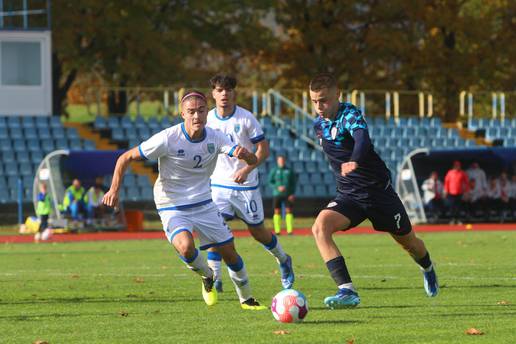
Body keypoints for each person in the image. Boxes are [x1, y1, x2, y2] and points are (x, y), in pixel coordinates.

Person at [102, 90, 266, 310]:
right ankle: (208, 276)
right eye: (191, 112)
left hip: (204, 203)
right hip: (171, 204)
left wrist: (246, 156)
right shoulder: (167, 138)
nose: (196, 116)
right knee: (186, 247)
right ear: (182, 114)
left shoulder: (215, 136)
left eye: (201, 111)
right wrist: (114, 189)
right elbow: (126, 157)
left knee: (230, 252)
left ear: (207, 112)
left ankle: (247, 299)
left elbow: (251, 157)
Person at [308, 73, 438, 309]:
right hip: (349, 196)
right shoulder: (318, 124)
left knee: (409, 243)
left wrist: (354, 160)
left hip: (379, 194)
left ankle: (427, 266)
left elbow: (362, 140)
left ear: (338, 94)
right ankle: (347, 291)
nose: (319, 106)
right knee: (320, 227)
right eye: (315, 101)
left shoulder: (350, 114)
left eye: (324, 100)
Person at [206, 74, 294, 292]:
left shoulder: (246, 118)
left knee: (258, 232)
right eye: (219, 90)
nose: (224, 94)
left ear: (235, 93)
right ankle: (214, 277)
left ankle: (283, 259)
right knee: (215, 229)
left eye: (228, 90)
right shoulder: (208, 119)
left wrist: (247, 169)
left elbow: (263, 150)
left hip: (245, 186)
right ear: (213, 94)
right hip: (218, 185)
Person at [268, 155, 297, 234]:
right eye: (280, 160)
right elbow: (270, 182)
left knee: (289, 211)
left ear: (285, 161)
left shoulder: (289, 171)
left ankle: (290, 231)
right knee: (277, 211)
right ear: (277, 161)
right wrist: (277, 187)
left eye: (282, 160)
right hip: (277, 194)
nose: (281, 162)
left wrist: (292, 193)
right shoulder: (274, 170)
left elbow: (293, 183)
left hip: (288, 194)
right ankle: (277, 231)